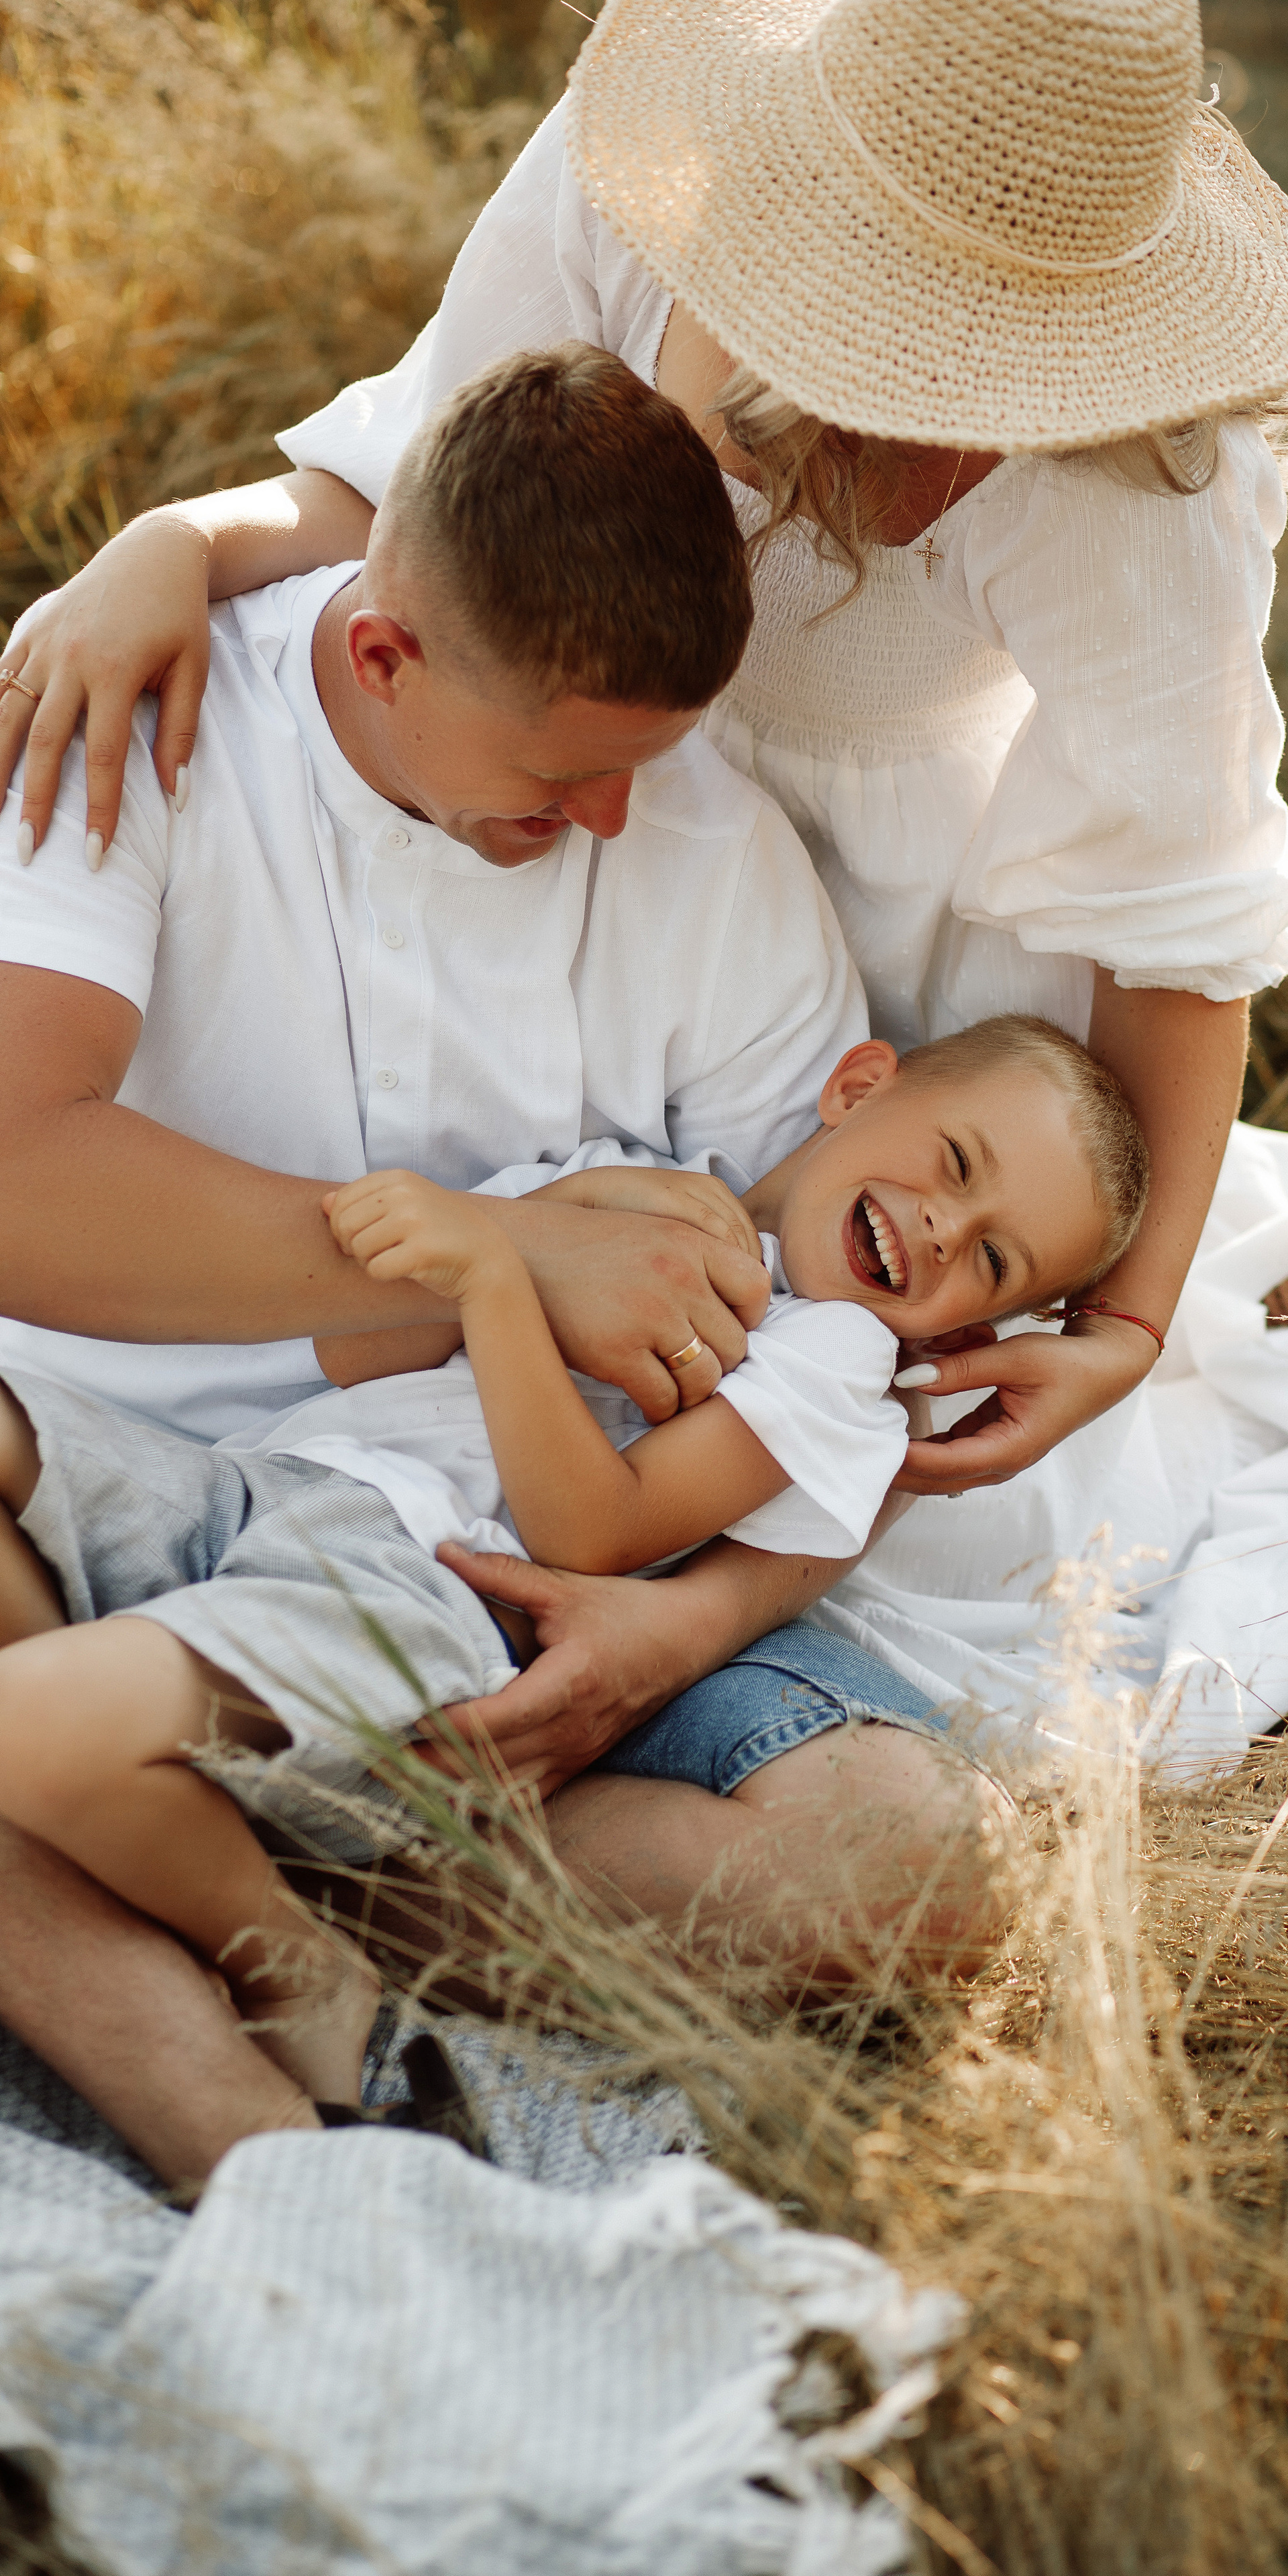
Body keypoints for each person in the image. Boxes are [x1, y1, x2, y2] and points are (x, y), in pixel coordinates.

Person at [0, 0, 1288, 1782]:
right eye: (915, 385)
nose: (940, 481)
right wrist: (178, 546)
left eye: (1009, 403)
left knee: (922, 1411)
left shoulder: (1150, 489)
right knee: (606, 1267)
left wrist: (1127, 1326)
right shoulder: (647, 185)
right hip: (582, 809)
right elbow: (433, 493)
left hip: (887, 930)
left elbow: (1177, 928)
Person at [0, 343, 1036, 2188]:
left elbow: (834, 1351)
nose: (617, 822)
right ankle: (246, 2112)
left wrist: (686, 1624)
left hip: (489, 1551)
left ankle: (206, 1857)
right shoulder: (142, 721)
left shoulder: (704, 850)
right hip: (97, 1457)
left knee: (911, 1871)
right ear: (385, 655)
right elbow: (18, 1178)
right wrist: (498, 1271)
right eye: (560, 781)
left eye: (645, 765)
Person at [0, 1016, 1144, 2139]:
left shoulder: (838, 1365)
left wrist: (498, 1278)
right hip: (261, 1485)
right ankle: (191, 1829)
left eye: (993, 1259)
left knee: (36, 1729)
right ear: (857, 1085)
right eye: (954, 1164)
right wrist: (497, 1236)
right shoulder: (632, 1181)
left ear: (984, 1322)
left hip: (420, 1577)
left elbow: (594, 1527)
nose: (946, 1227)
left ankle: (296, 1970)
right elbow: (364, 1341)